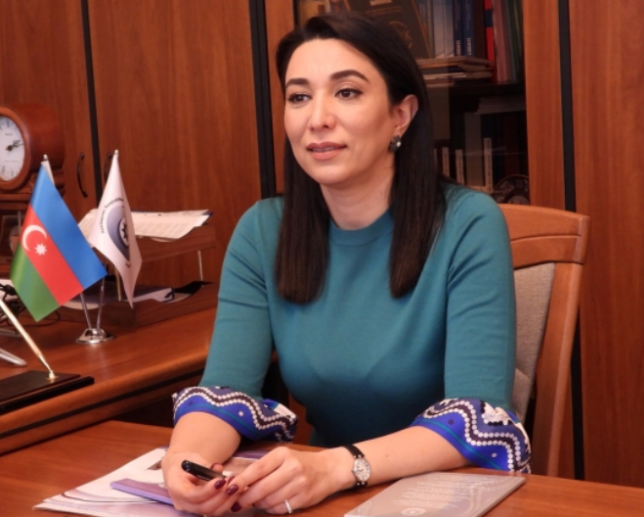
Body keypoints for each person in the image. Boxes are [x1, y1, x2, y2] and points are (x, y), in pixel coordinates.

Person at [161, 12, 530, 516]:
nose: (317, 118)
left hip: (441, 495)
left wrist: (339, 467)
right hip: (322, 498)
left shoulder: (469, 224)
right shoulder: (263, 231)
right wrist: (184, 462)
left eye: (347, 92)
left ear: (401, 115)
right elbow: (222, 393)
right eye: (299, 97)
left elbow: (476, 418)